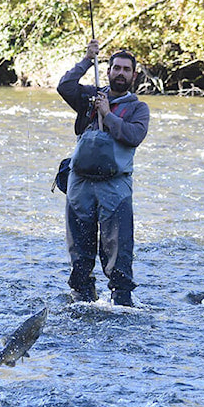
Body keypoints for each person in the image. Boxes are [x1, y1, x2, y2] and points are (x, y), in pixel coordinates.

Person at [57, 39, 150, 306]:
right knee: (79, 246)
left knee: (118, 248)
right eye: (116, 68)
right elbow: (64, 87)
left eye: (126, 70)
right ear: (107, 71)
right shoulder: (90, 96)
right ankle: (82, 296)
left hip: (115, 186)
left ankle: (121, 301)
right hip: (80, 184)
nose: (120, 73)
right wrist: (87, 59)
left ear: (133, 76)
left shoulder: (138, 108)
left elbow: (133, 135)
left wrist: (108, 115)